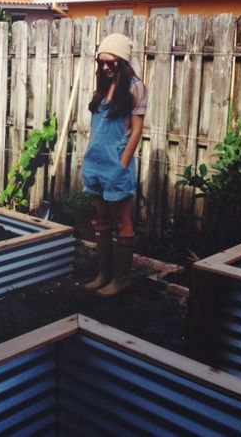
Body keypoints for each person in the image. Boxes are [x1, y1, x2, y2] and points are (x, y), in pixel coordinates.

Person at [82, 33, 147, 297]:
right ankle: (103, 274)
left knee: (122, 222)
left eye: (111, 63)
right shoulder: (102, 85)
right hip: (95, 161)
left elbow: (136, 131)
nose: (106, 67)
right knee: (101, 219)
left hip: (116, 164)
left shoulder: (135, 87)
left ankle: (121, 279)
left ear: (123, 61)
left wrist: (122, 164)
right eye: (102, 63)